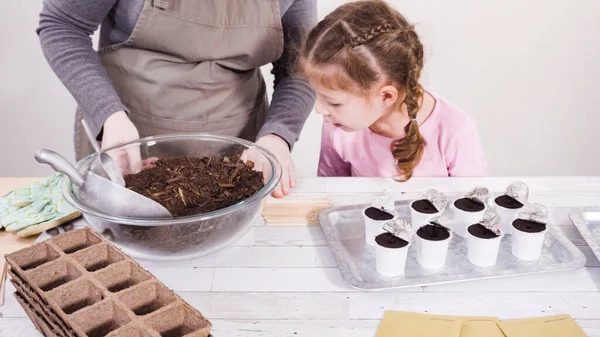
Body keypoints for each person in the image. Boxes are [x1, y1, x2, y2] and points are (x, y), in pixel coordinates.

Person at [36, 0, 317, 198]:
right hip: (128, 141)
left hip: (241, 152)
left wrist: (278, 136)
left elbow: (301, 64)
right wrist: (108, 115)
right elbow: (62, 25)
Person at [299, 0, 487, 180]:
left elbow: (473, 205)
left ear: (386, 96)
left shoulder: (454, 130)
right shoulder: (338, 126)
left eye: (333, 102)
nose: (319, 109)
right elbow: (329, 196)